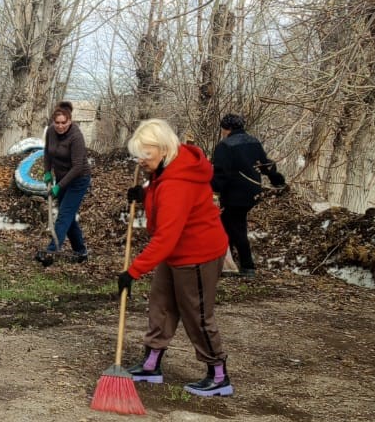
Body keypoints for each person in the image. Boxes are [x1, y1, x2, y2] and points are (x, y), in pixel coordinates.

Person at [117, 118, 232, 398]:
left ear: (164, 149)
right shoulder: (167, 169)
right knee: (162, 305)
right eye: (138, 154)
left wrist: (133, 271)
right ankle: (151, 364)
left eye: (146, 154)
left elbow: (165, 236)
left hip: (198, 253)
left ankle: (218, 375)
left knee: (197, 314)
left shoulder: (176, 181)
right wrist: (145, 193)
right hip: (176, 251)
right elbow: (161, 195)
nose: (141, 160)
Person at [211, 113, 285, 279]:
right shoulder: (253, 142)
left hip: (233, 193)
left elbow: (220, 173)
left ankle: (247, 266)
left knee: (236, 227)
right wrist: (277, 180)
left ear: (227, 129)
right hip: (252, 191)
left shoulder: (225, 146)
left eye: (223, 129)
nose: (222, 133)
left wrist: (213, 189)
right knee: (228, 225)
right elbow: (265, 165)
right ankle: (226, 264)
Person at [36, 101, 92, 266]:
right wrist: (47, 172)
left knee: (64, 215)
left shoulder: (76, 136)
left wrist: (58, 187)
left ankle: (51, 251)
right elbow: (47, 153)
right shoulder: (51, 131)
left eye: (63, 123)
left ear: (70, 121)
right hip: (61, 178)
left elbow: (78, 167)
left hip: (78, 179)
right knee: (68, 215)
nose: (60, 126)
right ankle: (80, 251)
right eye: (57, 123)